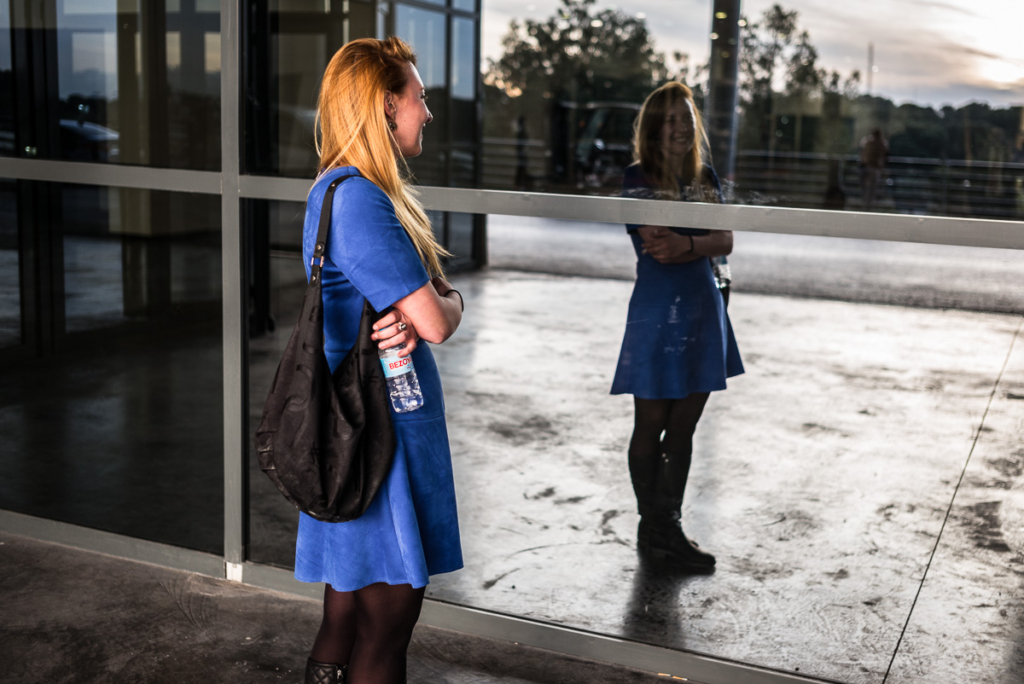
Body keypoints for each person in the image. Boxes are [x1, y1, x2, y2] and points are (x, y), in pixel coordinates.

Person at [296, 37, 465, 684]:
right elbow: (434, 323)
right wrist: (450, 302)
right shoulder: (363, 200)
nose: (427, 112)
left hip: (353, 429)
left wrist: (429, 303)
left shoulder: (335, 187)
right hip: (376, 442)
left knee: (343, 617)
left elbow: (405, 308)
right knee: (385, 632)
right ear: (384, 107)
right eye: (419, 99)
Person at [611, 82, 744, 572]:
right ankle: (657, 528)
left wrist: (694, 245)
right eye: (670, 120)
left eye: (687, 119)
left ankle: (666, 530)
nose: (681, 128)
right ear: (652, 129)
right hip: (657, 312)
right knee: (650, 423)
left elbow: (726, 239)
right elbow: (660, 245)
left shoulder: (704, 175)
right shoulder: (636, 178)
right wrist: (698, 243)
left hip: (702, 310)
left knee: (683, 428)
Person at [859, 128, 888, 211]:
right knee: (872, 190)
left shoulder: (866, 141)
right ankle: (869, 208)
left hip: (865, 168)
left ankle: (866, 207)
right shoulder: (882, 143)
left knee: (866, 190)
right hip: (875, 169)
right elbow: (886, 153)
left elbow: (861, 151)